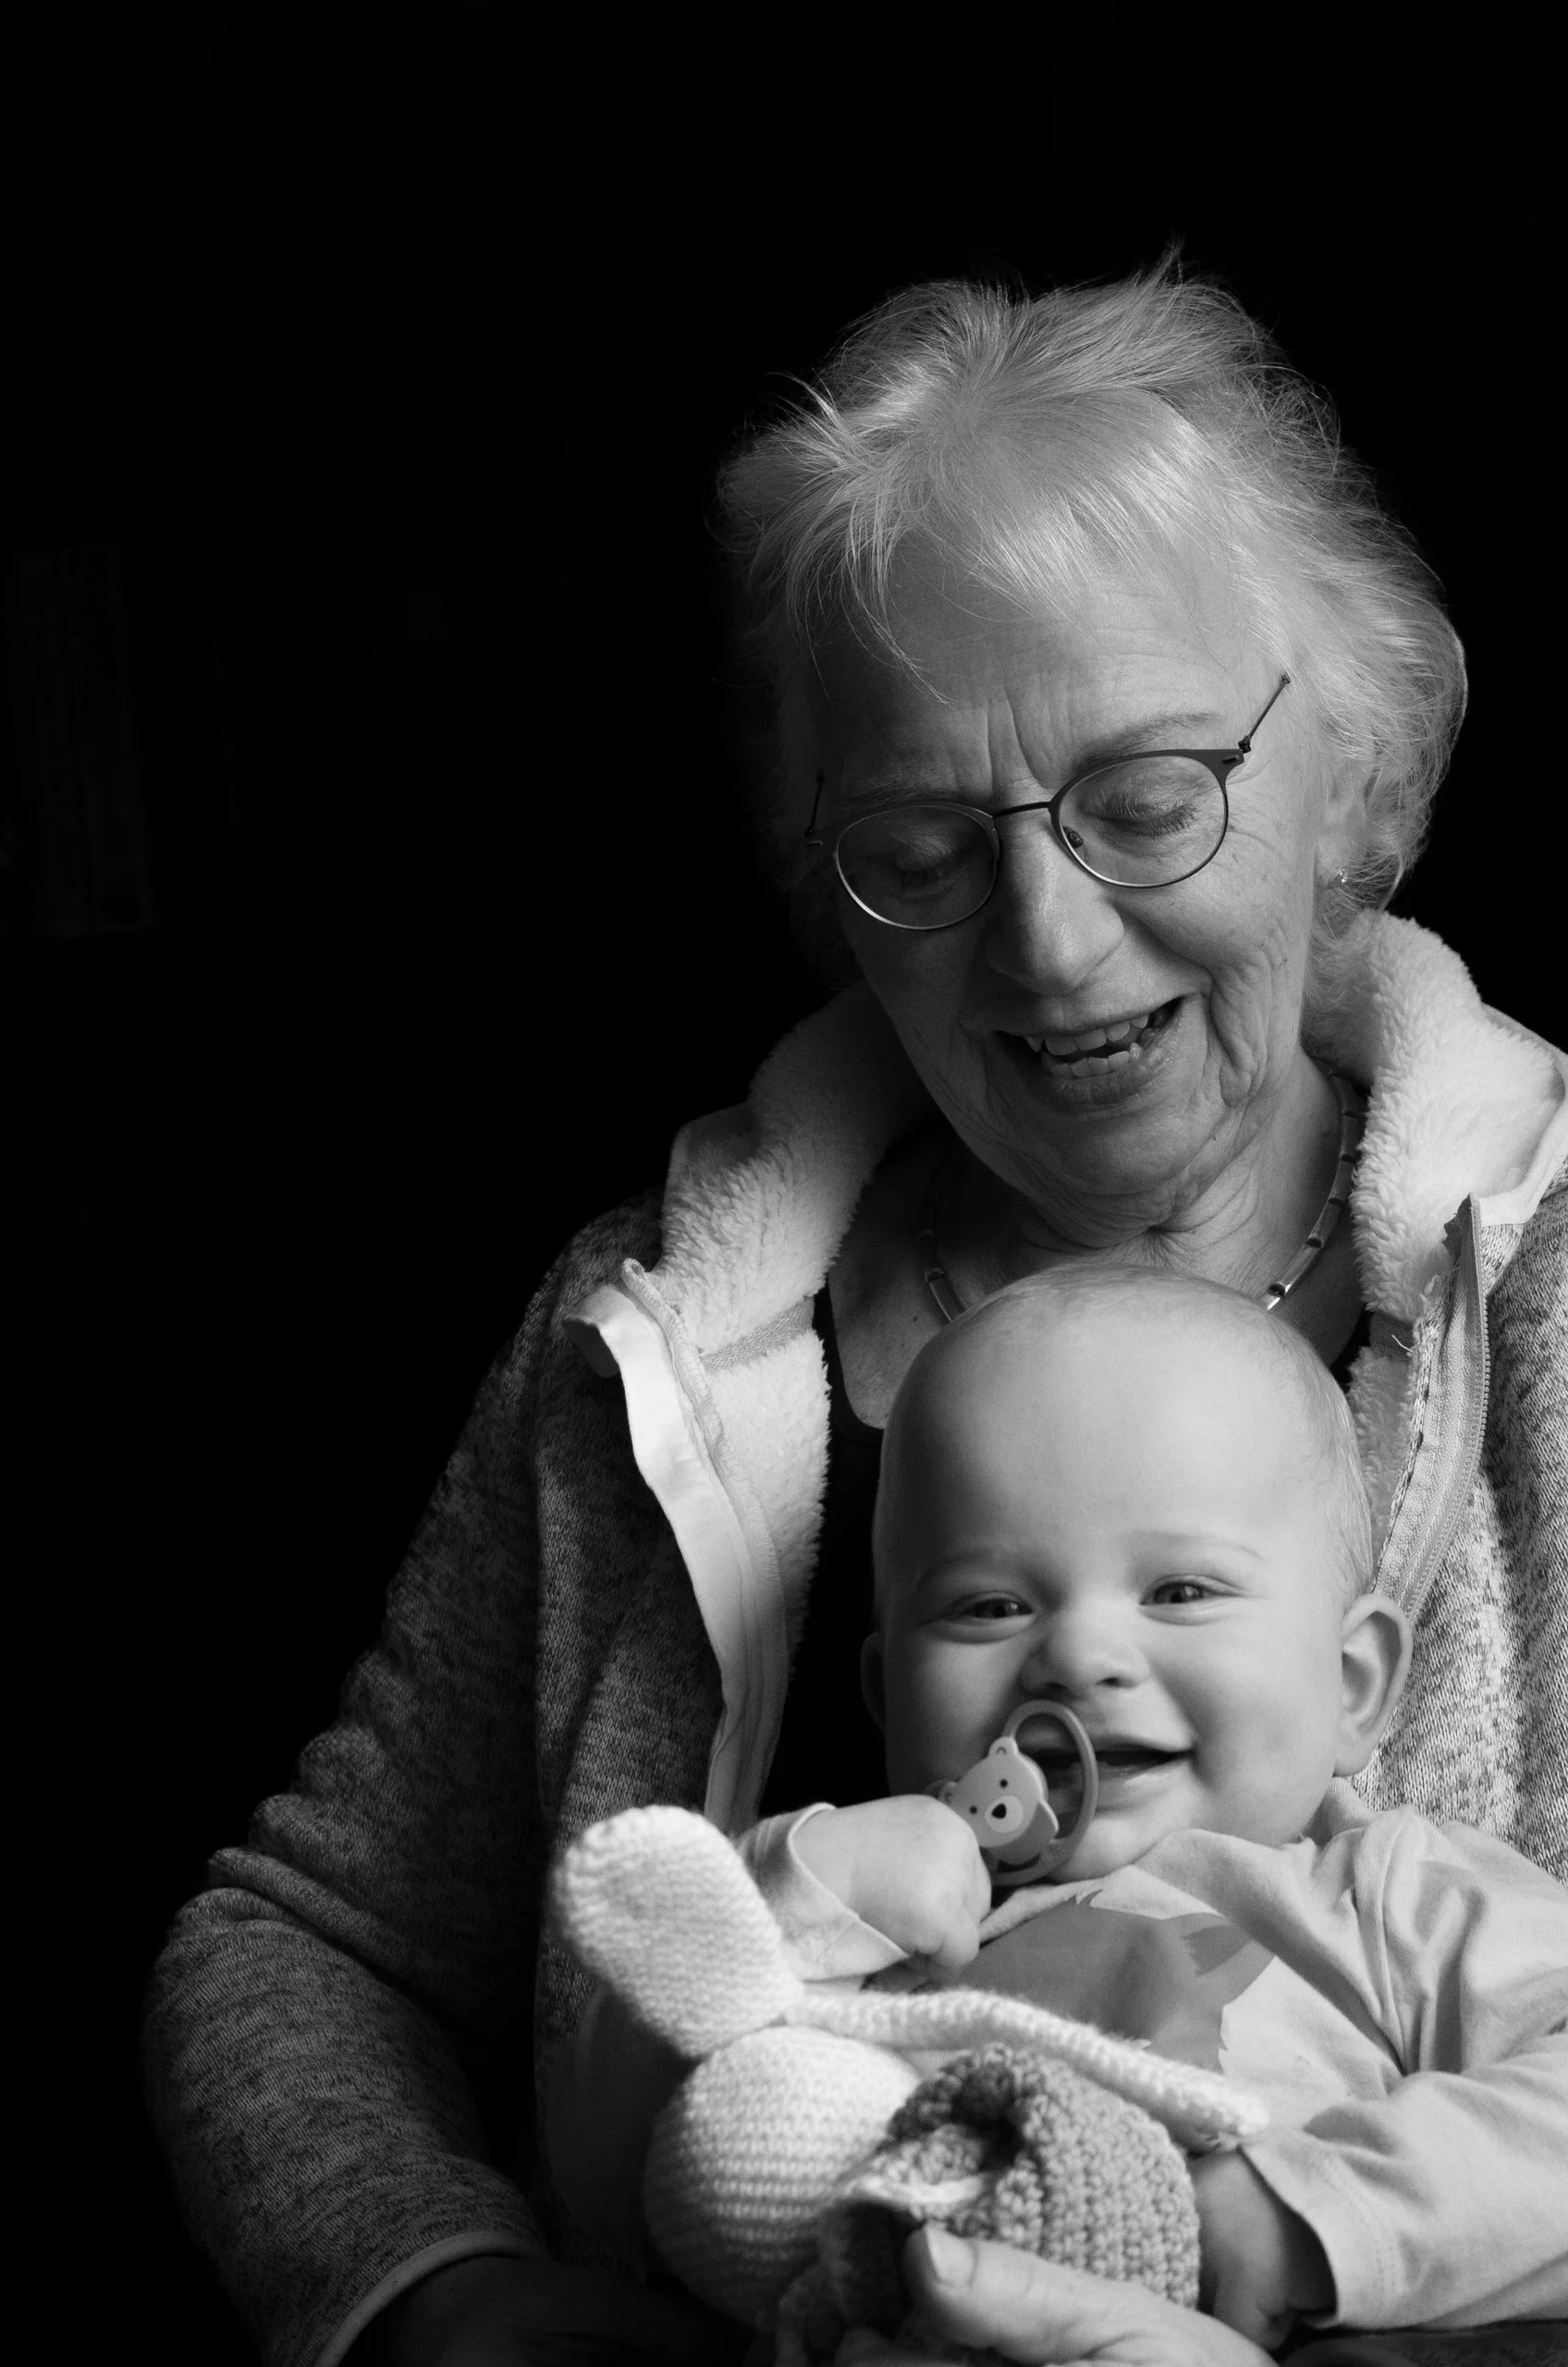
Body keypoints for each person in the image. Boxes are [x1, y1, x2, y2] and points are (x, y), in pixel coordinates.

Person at [142, 263, 1568, 2367]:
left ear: (1348, 777)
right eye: (919, 843)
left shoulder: (1540, 1297)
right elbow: (309, 1934)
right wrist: (452, 2300)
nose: (1053, 943)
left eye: (1146, 798)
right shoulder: (661, 1329)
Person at [710, 1269, 1568, 2354]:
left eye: (1180, 1591)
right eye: (989, 1605)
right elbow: (623, 2166)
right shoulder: (855, 1918)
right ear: (887, 1696)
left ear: (1350, 1682)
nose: (1076, 1654)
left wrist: (1316, 2214)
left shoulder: (1386, 1897)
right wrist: (784, 1895)